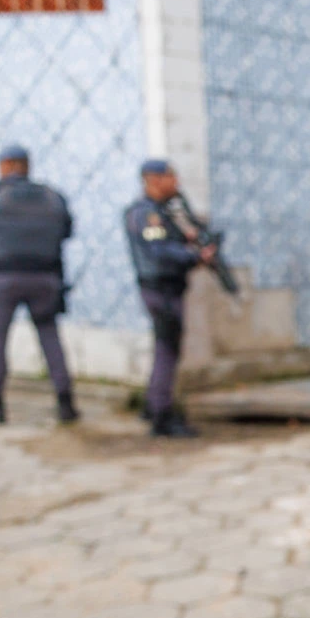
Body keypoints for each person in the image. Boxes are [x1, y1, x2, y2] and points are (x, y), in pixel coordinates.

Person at [0, 145, 78, 425]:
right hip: (46, 278)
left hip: (2, 279)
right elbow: (68, 231)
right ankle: (66, 404)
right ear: (27, 165)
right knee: (50, 337)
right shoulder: (52, 195)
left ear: (4, 165)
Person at [123, 159, 214, 438]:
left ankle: (154, 404)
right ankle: (161, 415)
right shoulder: (146, 214)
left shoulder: (165, 211)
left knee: (166, 348)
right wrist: (193, 256)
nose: (176, 182)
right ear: (153, 179)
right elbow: (159, 250)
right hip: (160, 290)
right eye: (170, 177)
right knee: (167, 350)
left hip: (168, 288)